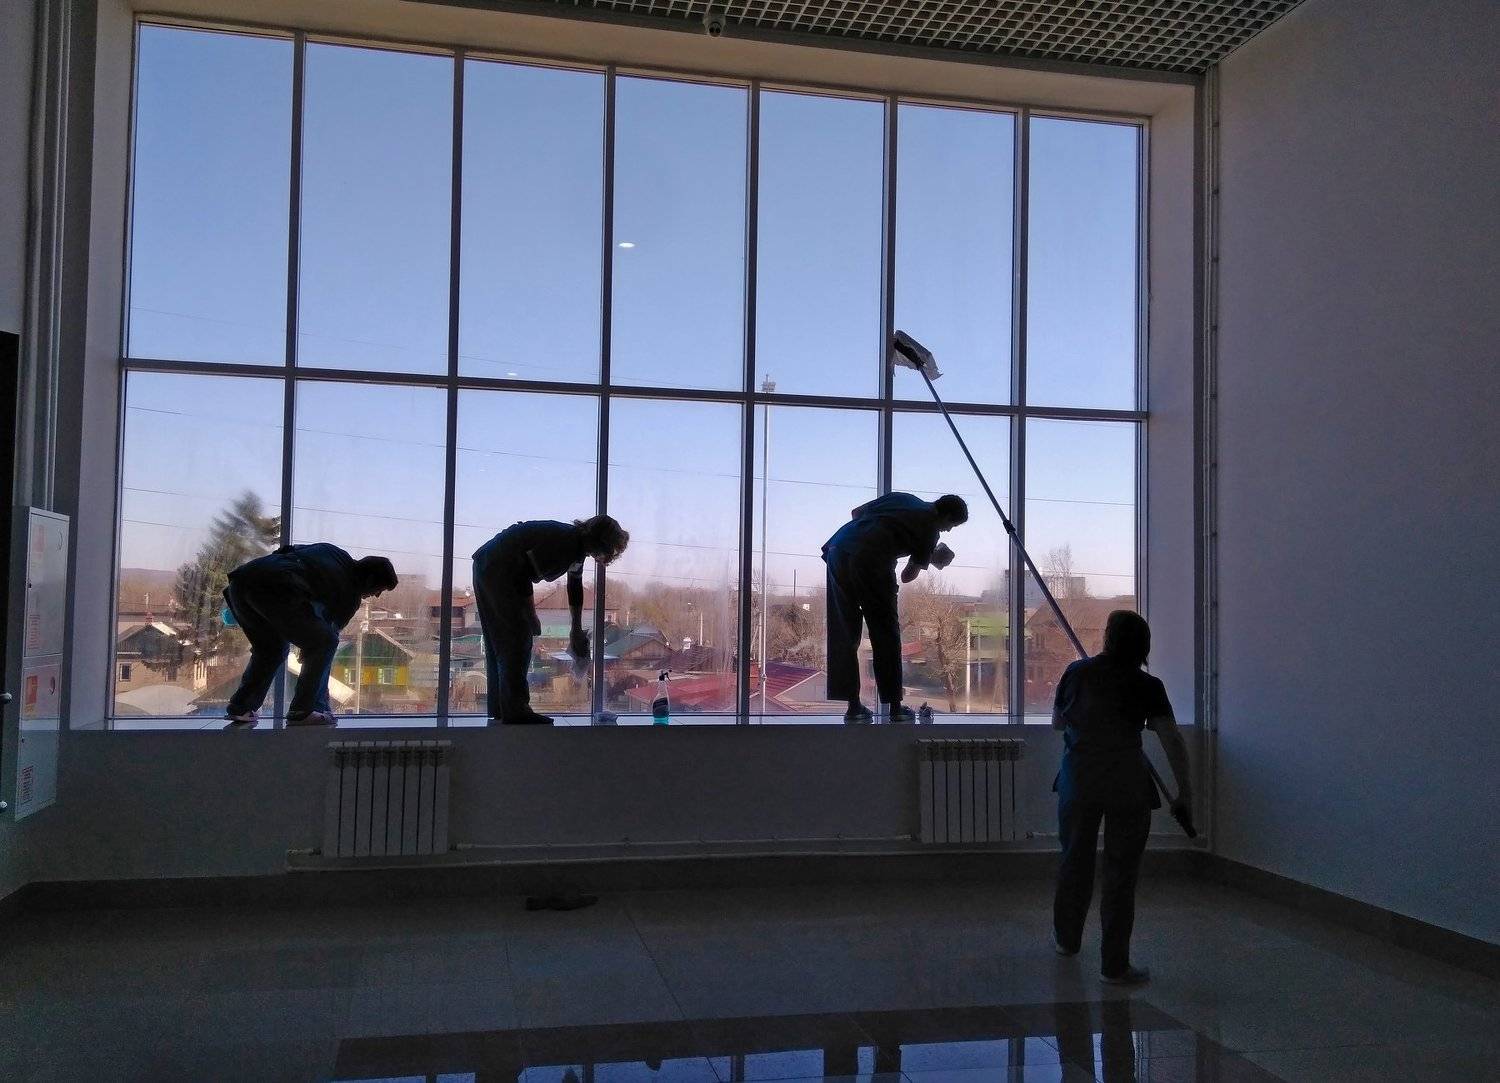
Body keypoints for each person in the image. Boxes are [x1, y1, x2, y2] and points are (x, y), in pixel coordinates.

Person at [1050, 609, 1193, 985]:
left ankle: (1066, 940)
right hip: (1127, 785)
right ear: (1143, 646)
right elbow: (1172, 740)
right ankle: (1114, 965)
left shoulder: (1075, 673)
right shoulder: (1148, 686)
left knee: (1074, 861)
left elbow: (1057, 724)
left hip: (1079, 781)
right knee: (1121, 873)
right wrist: (1185, 793)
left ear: (1108, 638)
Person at [821, 492, 968, 723]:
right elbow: (907, 576)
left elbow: (856, 513)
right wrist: (930, 557)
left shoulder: (904, 498)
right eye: (952, 526)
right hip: (872, 559)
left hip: (838, 549)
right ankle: (895, 708)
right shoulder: (930, 529)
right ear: (947, 517)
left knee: (844, 630)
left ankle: (854, 708)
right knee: (885, 632)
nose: (948, 531)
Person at [472, 516, 629, 726]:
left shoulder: (576, 546)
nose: (606, 557)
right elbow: (521, 574)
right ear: (601, 542)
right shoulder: (566, 545)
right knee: (516, 638)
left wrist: (576, 630)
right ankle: (515, 710)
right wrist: (531, 615)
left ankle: (502, 707)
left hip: (488, 564)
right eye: (609, 550)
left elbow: (575, 588)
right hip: (497, 568)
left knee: (500, 641)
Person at [221, 544, 399, 730]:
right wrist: (321, 703)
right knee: (325, 643)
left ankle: (241, 708)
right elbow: (325, 642)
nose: (376, 595)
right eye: (380, 589)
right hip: (278, 587)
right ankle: (303, 711)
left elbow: (286, 550)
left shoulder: (334, 552)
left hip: (242, 580)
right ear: (369, 579)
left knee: (270, 649)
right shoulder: (349, 594)